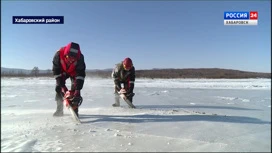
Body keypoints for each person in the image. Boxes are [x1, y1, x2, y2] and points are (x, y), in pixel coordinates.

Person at [52, 42, 86, 117]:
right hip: (62, 72)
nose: (71, 60)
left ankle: (75, 110)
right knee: (58, 89)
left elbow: (80, 74)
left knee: (75, 92)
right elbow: (56, 71)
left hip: (74, 73)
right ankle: (59, 110)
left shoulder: (80, 58)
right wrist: (62, 86)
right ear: (65, 54)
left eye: (73, 59)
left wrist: (77, 90)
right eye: (69, 57)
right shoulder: (58, 54)